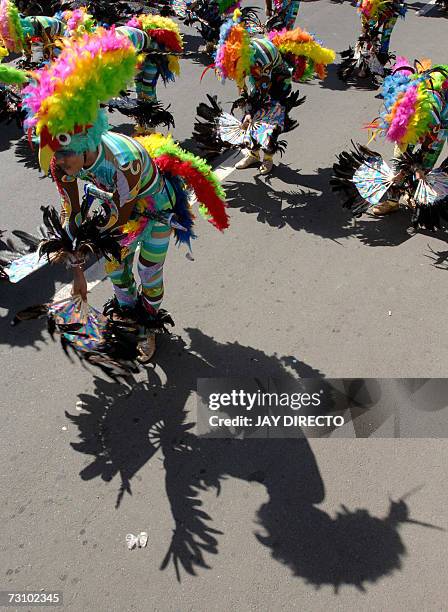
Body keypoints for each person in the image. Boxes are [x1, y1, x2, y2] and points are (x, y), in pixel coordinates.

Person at [22, 27, 229, 362]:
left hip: (153, 209)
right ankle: (128, 317)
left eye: (63, 155)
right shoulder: (63, 165)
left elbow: (121, 215)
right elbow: (73, 214)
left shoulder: (123, 161)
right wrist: (78, 274)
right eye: (55, 157)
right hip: (116, 208)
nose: (58, 164)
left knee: (148, 270)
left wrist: (89, 243)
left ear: (86, 142)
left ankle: (148, 329)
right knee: (116, 269)